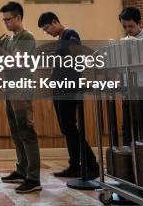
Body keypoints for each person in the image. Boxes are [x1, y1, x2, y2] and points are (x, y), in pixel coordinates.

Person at [0, 2, 41, 193]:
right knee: (16, 133)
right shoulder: (10, 39)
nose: (6, 23)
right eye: (4, 20)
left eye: (8, 19)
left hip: (22, 91)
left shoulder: (27, 37)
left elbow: (15, 62)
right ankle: (22, 169)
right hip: (10, 90)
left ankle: (34, 179)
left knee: (27, 133)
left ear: (18, 18)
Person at [38, 12, 99, 179]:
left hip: (68, 88)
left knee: (70, 128)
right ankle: (75, 166)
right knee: (67, 128)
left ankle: (92, 165)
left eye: (47, 28)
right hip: (59, 88)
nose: (47, 32)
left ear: (55, 22)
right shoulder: (60, 40)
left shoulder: (70, 34)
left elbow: (77, 58)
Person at [118, 7, 143, 146]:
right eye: (125, 26)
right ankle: (129, 157)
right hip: (129, 88)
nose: (128, 29)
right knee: (127, 125)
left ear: (139, 23)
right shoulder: (123, 41)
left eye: (131, 26)